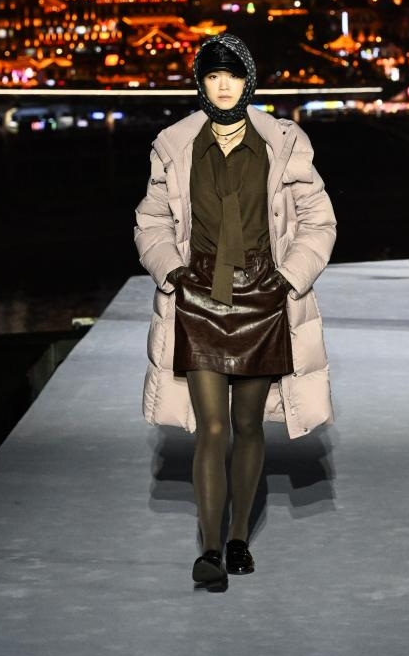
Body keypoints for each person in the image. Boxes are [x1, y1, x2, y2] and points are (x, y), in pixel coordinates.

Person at [134, 33, 336, 593]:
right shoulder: (175, 146)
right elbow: (151, 219)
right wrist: (172, 270)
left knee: (247, 425)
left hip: (262, 296)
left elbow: (319, 220)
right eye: (212, 75)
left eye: (233, 75)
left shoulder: (284, 143)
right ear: (200, 83)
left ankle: (240, 535)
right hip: (198, 296)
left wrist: (289, 276)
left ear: (249, 81)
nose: (223, 86)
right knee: (212, 427)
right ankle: (208, 550)